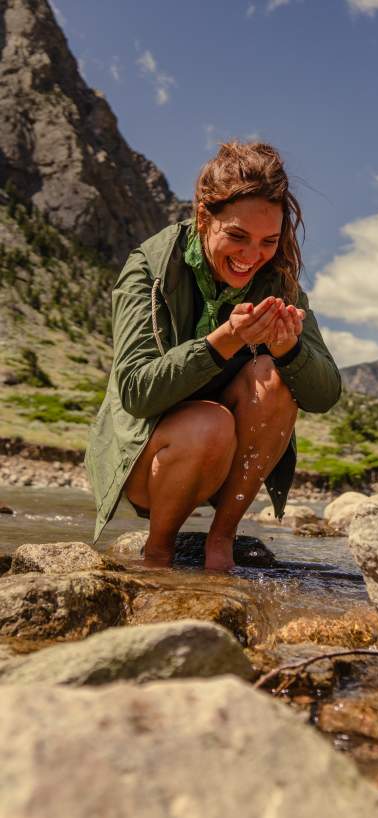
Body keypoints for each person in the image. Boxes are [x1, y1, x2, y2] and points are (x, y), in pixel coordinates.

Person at [85, 142, 341, 570]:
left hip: (225, 464)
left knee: (273, 378)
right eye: (237, 236)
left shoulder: (277, 279)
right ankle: (158, 551)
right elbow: (135, 392)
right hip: (148, 459)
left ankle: (221, 540)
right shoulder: (149, 267)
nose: (251, 257)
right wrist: (225, 340)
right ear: (204, 217)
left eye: (268, 242)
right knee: (209, 423)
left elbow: (325, 394)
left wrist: (288, 349)